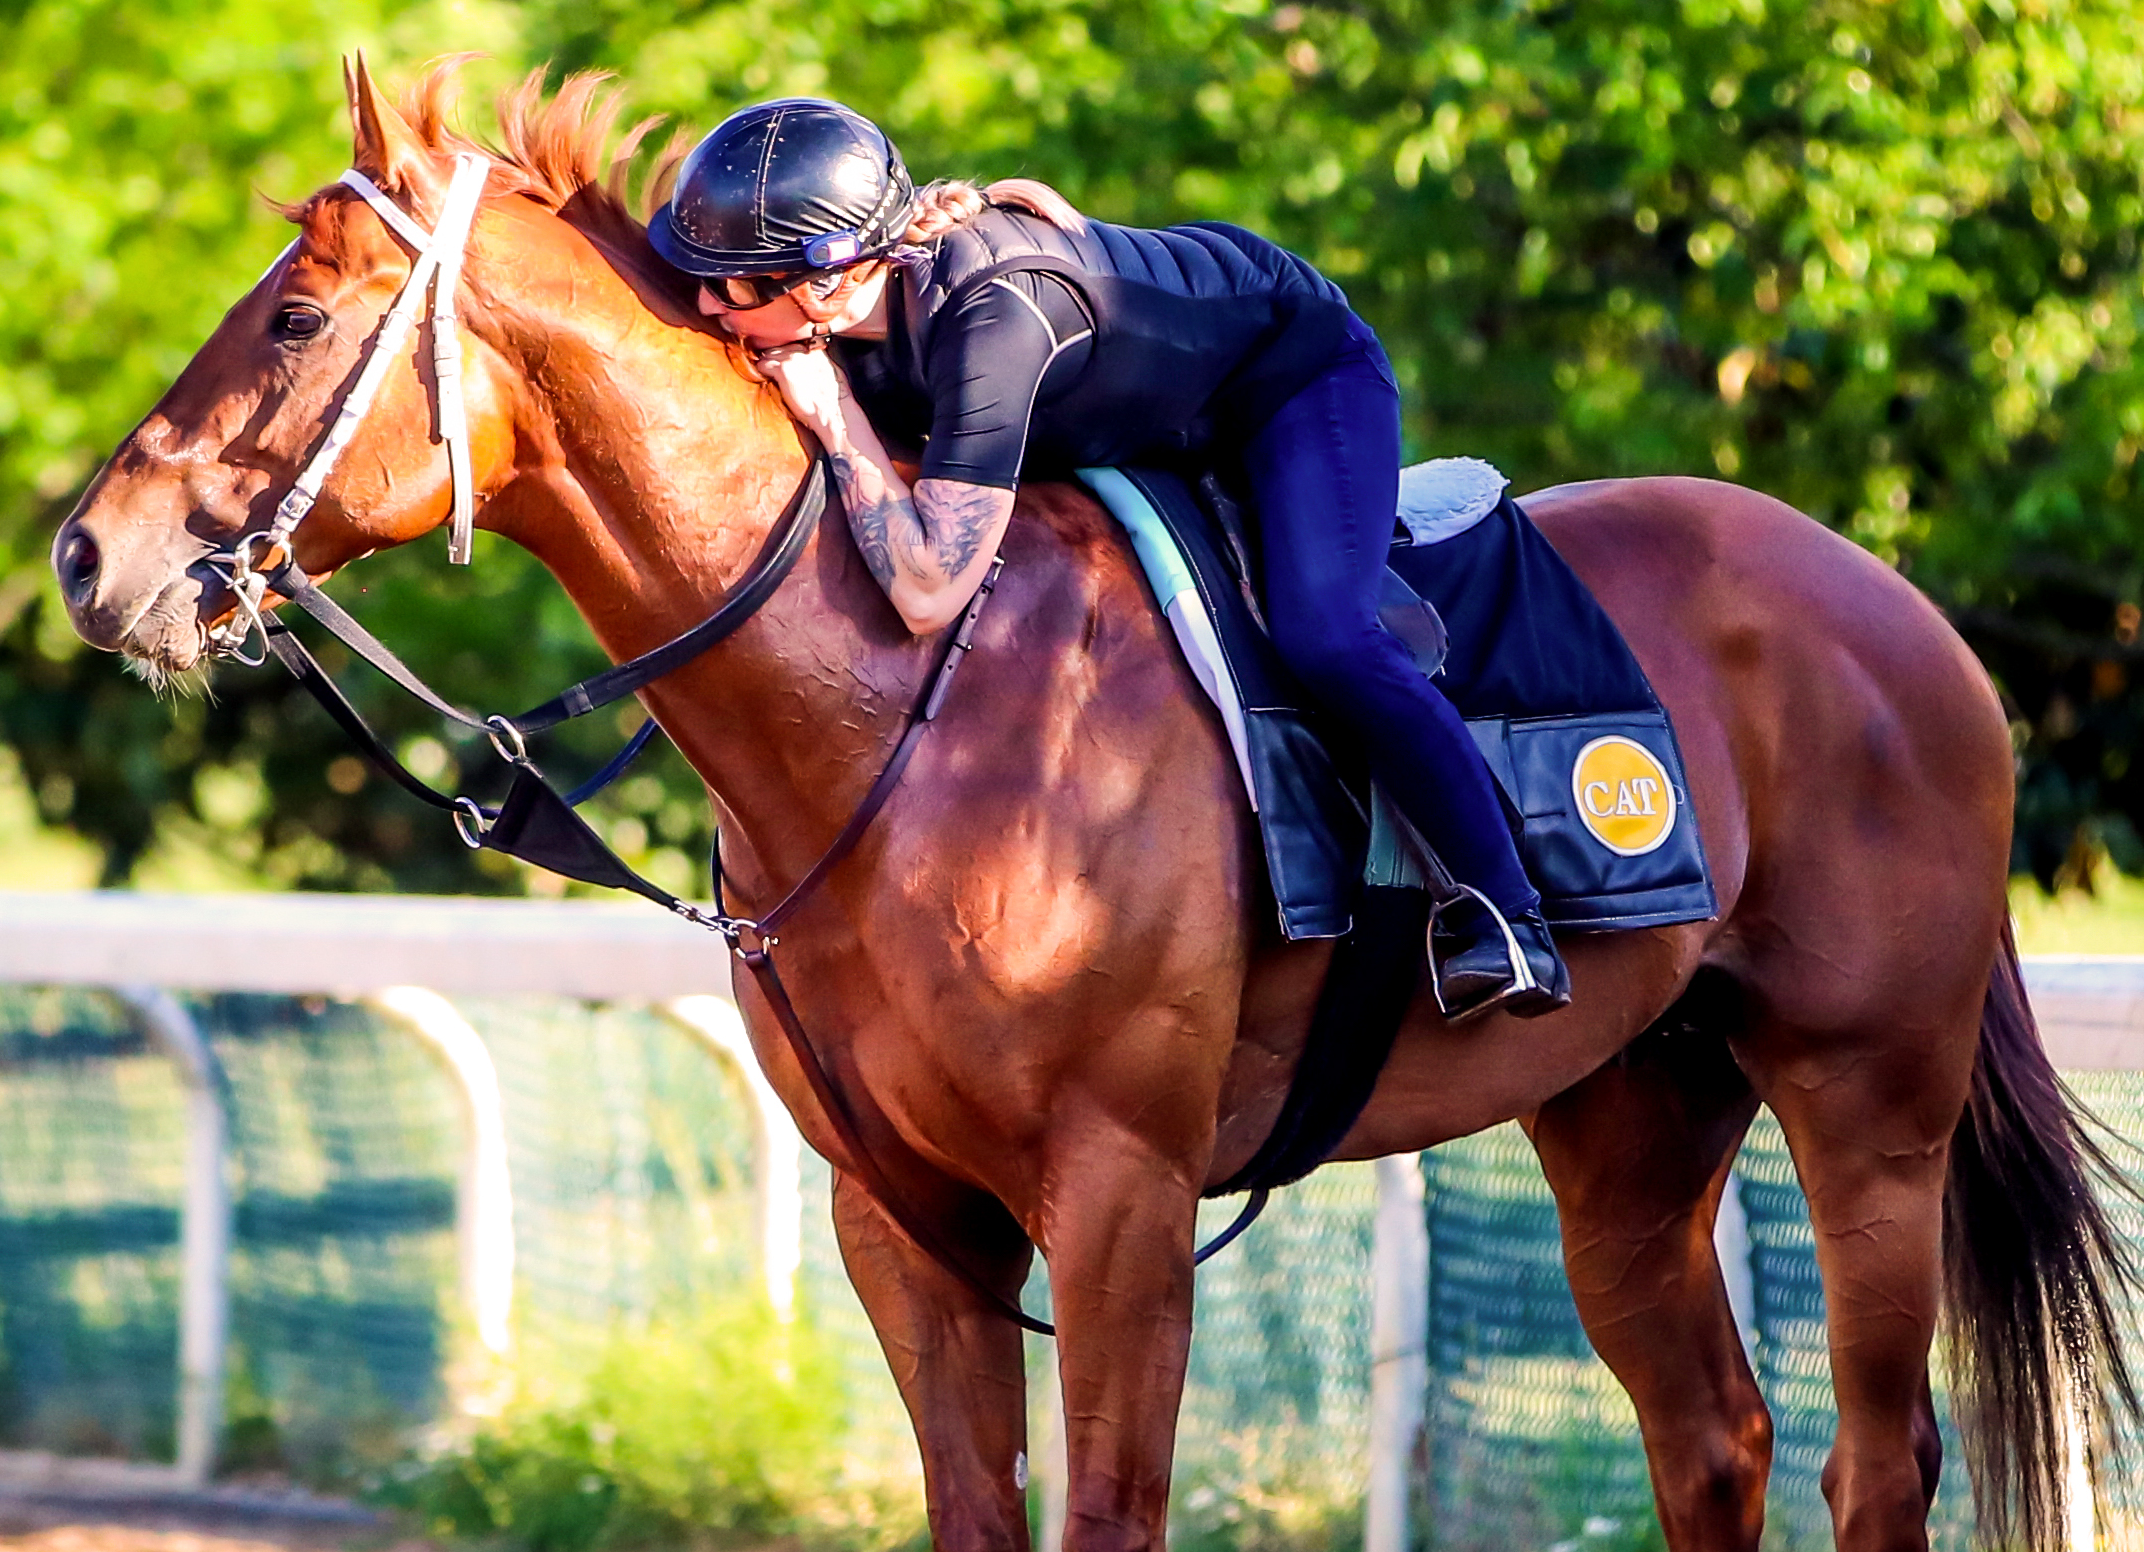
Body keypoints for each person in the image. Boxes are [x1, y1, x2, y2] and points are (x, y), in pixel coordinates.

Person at [648, 97, 1568, 1022]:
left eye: (735, 288)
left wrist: (832, 410)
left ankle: (1506, 909)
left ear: (826, 281)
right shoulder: (846, 317)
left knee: (1324, 634)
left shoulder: (993, 316)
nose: (707, 305)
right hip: (1145, 408)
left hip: (1291, 378)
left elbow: (929, 589)